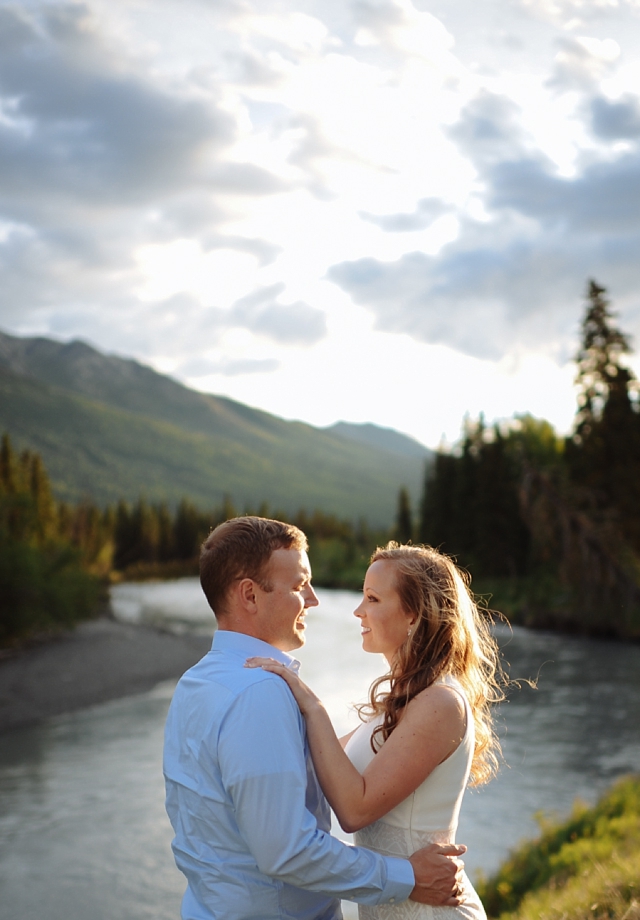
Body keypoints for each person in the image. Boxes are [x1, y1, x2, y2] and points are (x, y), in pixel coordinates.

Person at [164, 518, 466, 920]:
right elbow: (288, 852)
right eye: (298, 585)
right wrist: (406, 876)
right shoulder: (259, 691)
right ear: (250, 596)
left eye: (372, 599)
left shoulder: (195, 682)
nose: (314, 600)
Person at [246, 542, 504, 920]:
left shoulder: (440, 703)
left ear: (414, 615)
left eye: (372, 599)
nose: (358, 611)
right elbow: (319, 765)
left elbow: (354, 809)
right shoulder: (400, 703)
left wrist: (313, 706)